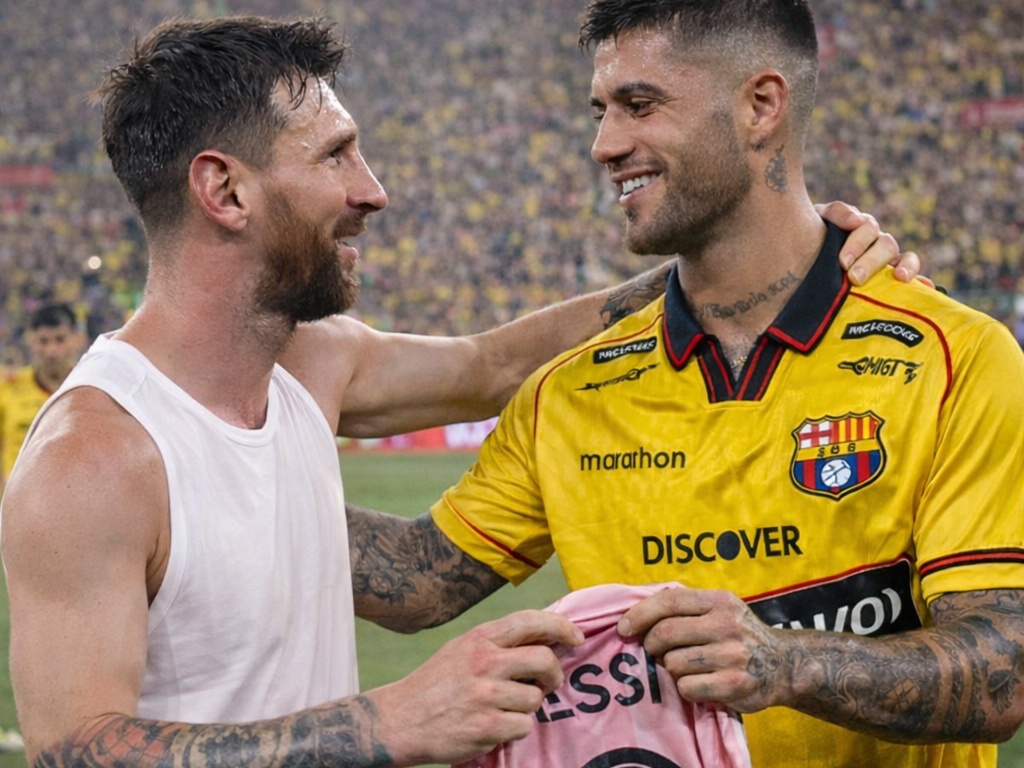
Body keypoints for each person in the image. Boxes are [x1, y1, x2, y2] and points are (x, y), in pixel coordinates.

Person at [0, 14, 915, 768]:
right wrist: (387, 723)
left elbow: (490, 366)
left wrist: (784, 258)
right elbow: (73, 750)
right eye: (335, 157)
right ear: (224, 191)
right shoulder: (94, 457)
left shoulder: (314, 365)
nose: (375, 191)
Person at [348, 2, 1024, 767]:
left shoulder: (953, 357)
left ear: (760, 106)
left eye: (640, 105)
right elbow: (414, 579)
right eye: (600, 111)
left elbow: (1003, 671)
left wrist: (784, 663)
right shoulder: (572, 390)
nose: (604, 144)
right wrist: (213, 484)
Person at [0, 302, 82, 493]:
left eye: (60, 340)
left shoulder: (91, 388)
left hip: (72, 501)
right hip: (18, 503)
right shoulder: (8, 389)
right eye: (43, 341)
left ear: (77, 339)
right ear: (31, 341)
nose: (52, 350)